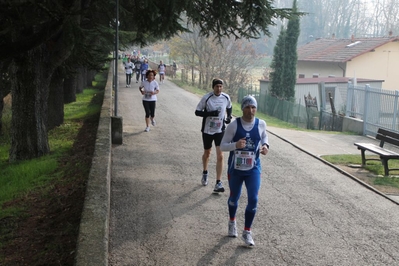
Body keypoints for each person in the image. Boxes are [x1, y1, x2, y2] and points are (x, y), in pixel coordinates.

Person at [220, 95, 269, 247]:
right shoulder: (234, 126)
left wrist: (266, 146)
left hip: (253, 168)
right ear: (242, 109)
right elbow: (222, 146)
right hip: (236, 168)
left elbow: (264, 137)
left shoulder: (261, 124)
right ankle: (232, 221)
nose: (250, 110)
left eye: (253, 107)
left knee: (253, 199)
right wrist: (235, 145)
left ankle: (247, 231)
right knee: (235, 197)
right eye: (247, 107)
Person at [195, 78, 232, 193]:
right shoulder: (207, 98)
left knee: (220, 155)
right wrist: (209, 113)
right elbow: (197, 111)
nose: (219, 88)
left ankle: (218, 182)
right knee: (207, 153)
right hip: (207, 130)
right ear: (213, 87)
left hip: (220, 130)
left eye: (221, 86)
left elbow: (229, 107)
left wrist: (229, 117)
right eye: (217, 86)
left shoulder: (226, 97)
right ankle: (205, 172)